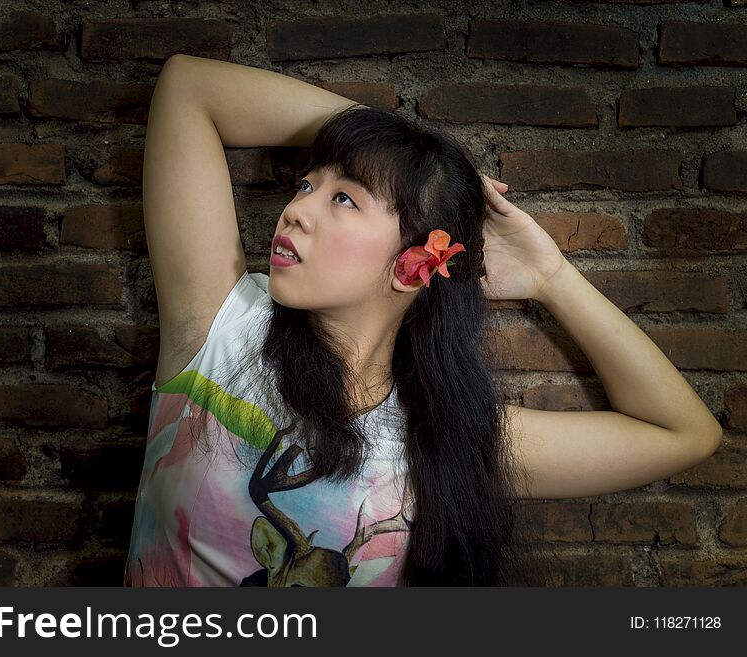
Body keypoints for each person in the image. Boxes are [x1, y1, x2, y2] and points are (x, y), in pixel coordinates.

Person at [123, 54, 722, 587]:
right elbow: (189, 87)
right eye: (307, 184)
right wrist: (404, 150)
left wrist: (551, 277)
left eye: (344, 198)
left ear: (413, 266)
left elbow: (685, 435)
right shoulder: (221, 328)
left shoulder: (447, 440)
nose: (296, 209)